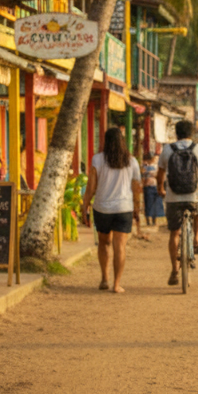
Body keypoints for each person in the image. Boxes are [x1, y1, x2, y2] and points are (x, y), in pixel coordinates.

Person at [81, 126, 142, 293]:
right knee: (120, 246)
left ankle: (104, 278)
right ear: (122, 141)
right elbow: (136, 187)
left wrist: (85, 206)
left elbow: (91, 187)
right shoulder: (132, 161)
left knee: (103, 243)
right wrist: (137, 208)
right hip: (124, 208)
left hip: (102, 208)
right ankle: (116, 284)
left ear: (105, 142)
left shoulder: (97, 159)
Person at [157, 119, 198, 286]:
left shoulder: (167, 150)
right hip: (194, 197)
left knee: (174, 233)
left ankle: (174, 271)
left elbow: (160, 175)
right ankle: (197, 239)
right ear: (192, 133)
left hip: (173, 198)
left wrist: (160, 189)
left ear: (176, 133)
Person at [141, 151, 164, 226]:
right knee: (148, 204)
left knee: (155, 204)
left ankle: (154, 220)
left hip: (155, 186)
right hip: (147, 187)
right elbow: (143, 175)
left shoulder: (157, 166)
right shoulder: (144, 166)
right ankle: (148, 220)